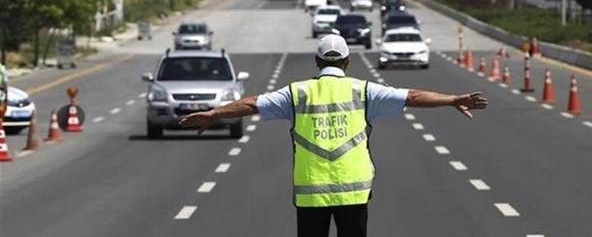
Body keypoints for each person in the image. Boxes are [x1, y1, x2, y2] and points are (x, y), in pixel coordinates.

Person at [180, 34, 488, 237]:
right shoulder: (364, 90)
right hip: (353, 192)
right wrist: (452, 100)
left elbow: (251, 104)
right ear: (347, 61)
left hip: (311, 192)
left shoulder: (296, 93)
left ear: (316, 62)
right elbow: (413, 96)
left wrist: (212, 114)